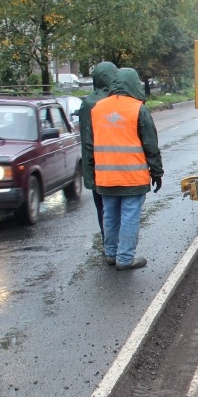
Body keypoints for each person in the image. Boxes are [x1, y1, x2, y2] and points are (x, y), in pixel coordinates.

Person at [87, 67, 163, 271]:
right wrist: (157, 172)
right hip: (132, 177)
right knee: (129, 217)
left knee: (110, 216)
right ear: (133, 84)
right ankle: (126, 258)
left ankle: (111, 254)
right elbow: (151, 145)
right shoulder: (138, 109)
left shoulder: (97, 109)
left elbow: (92, 142)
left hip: (105, 177)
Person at [80, 62, 120, 237]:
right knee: (118, 208)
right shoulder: (117, 101)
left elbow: (87, 141)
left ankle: (108, 243)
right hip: (117, 166)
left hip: (96, 167)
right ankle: (115, 246)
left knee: (103, 209)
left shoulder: (88, 103)